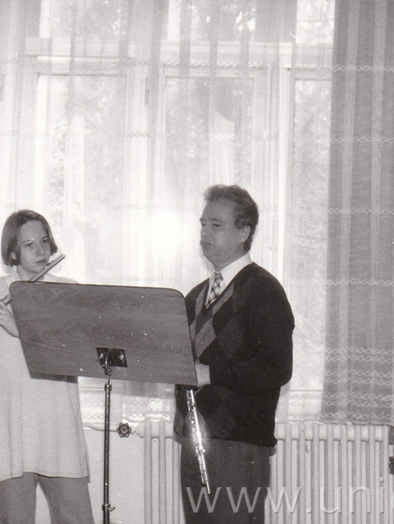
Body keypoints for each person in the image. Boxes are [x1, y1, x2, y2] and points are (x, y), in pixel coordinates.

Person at [0, 210, 93, 524]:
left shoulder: (68, 291)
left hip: (58, 430)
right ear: (12, 252)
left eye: (44, 241)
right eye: (29, 245)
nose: (41, 250)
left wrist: (18, 327)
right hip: (7, 430)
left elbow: (76, 355)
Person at [174, 185, 295, 524]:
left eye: (216, 225)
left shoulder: (263, 289)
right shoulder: (196, 295)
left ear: (243, 233)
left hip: (239, 446)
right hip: (196, 441)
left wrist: (210, 374)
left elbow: (276, 367)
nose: (205, 233)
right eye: (203, 224)